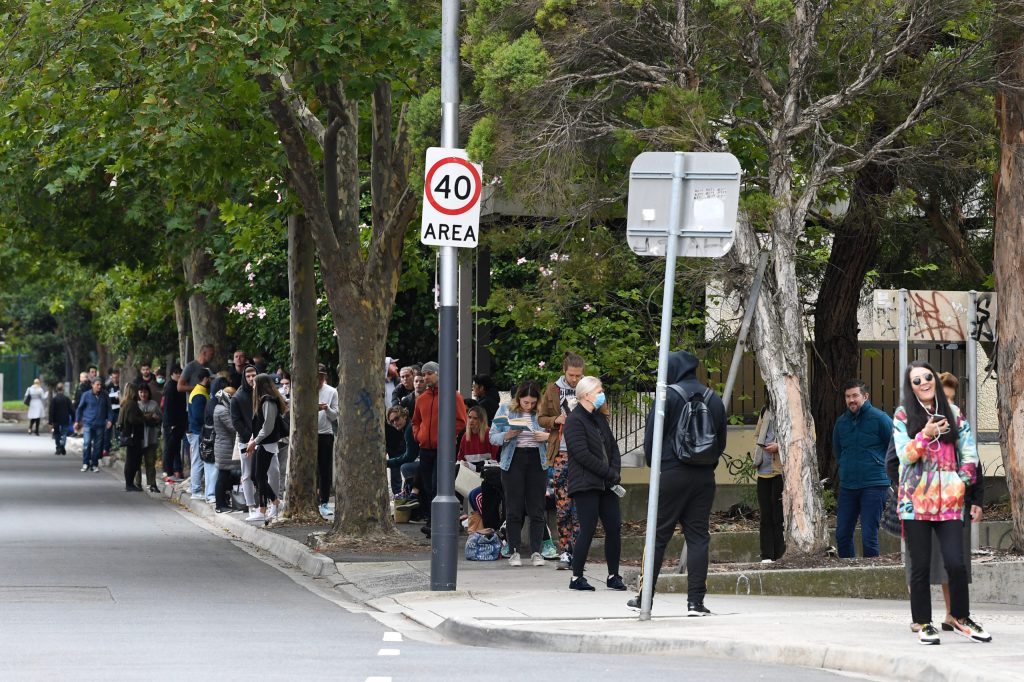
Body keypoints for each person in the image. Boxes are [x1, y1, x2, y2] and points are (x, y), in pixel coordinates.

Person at [894, 361, 990, 644]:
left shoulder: (954, 413)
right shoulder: (902, 416)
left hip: (949, 502)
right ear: (910, 387)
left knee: (956, 562)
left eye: (927, 376)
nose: (923, 382)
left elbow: (970, 453)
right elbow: (904, 456)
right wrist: (925, 434)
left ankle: (960, 616)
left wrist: (961, 483)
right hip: (915, 503)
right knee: (921, 566)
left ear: (934, 378)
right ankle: (924, 623)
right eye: (916, 380)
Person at [628, 350, 726, 615]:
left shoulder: (667, 396)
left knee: (658, 536)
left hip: (671, 474)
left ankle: (644, 598)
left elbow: (651, 441)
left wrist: (658, 465)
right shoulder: (713, 398)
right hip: (704, 477)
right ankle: (696, 602)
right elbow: (721, 443)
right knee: (698, 538)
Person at [563, 376, 624, 591]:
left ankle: (613, 575)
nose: (602, 394)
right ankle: (576, 577)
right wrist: (608, 472)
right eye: (599, 391)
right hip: (586, 483)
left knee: (614, 527)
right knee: (588, 529)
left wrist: (614, 470)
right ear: (587, 395)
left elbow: (613, 447)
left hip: (606, 483)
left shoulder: (599, 418)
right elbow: (582, 454)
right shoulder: (574, 420)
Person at [489, 381, 550, 568]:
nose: (529, 406)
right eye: (525, 402)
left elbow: (557, 435)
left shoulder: (543, 411)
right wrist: (507, 435)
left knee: (537, 508)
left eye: (532, 403)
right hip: (513, 459)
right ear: (518, 399)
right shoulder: (505, 409)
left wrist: (546, 437)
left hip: (537, 460)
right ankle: (514, 550)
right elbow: (492, 436)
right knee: (513, 508)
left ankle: (536, 552)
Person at [832, 379, 893, 559]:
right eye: (848, 396)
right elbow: (838, 451)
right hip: (848, 486)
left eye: (855, 396)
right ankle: (848, 574)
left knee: (869, 536)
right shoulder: (841, 423)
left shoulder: (881, 419)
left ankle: (871, 575)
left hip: (874, 485)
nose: (851, 400)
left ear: (865, 396)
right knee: (842, 535)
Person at [538, 352, 587, 570]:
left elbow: (604, 415)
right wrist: (555, 419)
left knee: (581, 506)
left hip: (583, 454)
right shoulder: (552, 390)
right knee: (563, 505)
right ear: (564, 371)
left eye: (578, 375)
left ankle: (579, 552)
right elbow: (541, 419)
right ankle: (566, 551)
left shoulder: (589, 387)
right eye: (571, 375)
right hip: (561, 452)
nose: (575, 379)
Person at [412, 361, 467, 531]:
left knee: (438, 485)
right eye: (424, 374)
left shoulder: (453, 395)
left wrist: (445, 436)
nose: (425, 377)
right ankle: (434, 520)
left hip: (443, 449)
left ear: (438, 373)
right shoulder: (421, 399)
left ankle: (440, 522)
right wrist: (418, 435)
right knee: (428, 486)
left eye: (429, 373)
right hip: (425, 448)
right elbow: (416, 421)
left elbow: (461, 421)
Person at [246, 374, 288, 523]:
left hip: (267, 443)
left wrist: (254, 441)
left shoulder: (268, 401)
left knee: (260, 477)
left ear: (261, 385)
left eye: (255, 383)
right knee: (256, 476)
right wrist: (253, 440)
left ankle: (274, 503)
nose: (252, 384)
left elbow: (268, 427)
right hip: (261, 443)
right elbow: (259, 425)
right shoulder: (262, 400)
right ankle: (266, 507)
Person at [753, 400, 785, 562]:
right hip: (764, 469)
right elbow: (758, 434)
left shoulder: (795, 407)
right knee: (766, 516)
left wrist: (780, 446)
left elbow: (807, 436)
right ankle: (766, 555)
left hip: (782, 471)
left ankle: (780, 555)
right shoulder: (765, 409)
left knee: (779, 516)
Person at [231, 365, 259, 515]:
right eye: (248, 376)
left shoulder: (262, 393)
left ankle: (268, 503)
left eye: (253, 375)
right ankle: (250, 505)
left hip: (262, 439)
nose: (251, 378)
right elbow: (236, 421)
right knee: (247, 474)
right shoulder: (238, 397)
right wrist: (249, 437)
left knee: (267, 472)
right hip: (245, 440)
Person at [316, 363, 339, 518]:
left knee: (325, 470)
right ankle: (312, 500)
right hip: (308, 434)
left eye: (320, 375)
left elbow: (335, 414)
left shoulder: (331, 391)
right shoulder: (304, 389)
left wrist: (326, 409)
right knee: (311, 470)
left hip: (325, 433)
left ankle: (324, 502)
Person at [186, 368, 212, 501]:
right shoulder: (199, 394)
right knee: (198, 461)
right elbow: (197, 416)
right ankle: (195, 489)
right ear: (206, 379)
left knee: (198, 460)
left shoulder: (198, 391)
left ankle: (195, 487)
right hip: (197, 432)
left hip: (196, 431)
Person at [75, 378, 112, 473]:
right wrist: (77, 421)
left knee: (97, 446)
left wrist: (110, 420)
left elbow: (109, 409)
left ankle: (94, 464)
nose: (99, 387)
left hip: (100, 424)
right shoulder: (86, 395)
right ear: (92, 385)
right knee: (87, 443)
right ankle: (85, 463)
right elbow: (79, 408)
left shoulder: (105, 395)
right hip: (88, 423)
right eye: (97, 385)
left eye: (100, 385)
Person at [212, 385, 238, 512]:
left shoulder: (221, 407)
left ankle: (224, 502)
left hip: (225, 446)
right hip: (224, 447)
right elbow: (233, 427)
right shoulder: (223, 410)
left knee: (225, 476)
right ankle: (220, 505)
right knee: (222, 477)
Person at [133, 383, 162, 492]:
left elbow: (160, 418)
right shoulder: (135, 404)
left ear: (148, 393)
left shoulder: (154, 404)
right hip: (139, 437)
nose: (143, 394)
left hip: (151, 436)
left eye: (145, 392)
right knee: (137, 462)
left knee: (150, 462)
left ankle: (152, 484)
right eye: (141, 392)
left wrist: (155, 417)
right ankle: (137, 482)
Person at [162, 366, 187, 482]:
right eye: (177, 373)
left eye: (180, 373)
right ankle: (169, 472)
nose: (179, 375)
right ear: (172, 374)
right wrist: (171, 424)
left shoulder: (176, 386)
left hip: (177, 422)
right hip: (173, 423)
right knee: (170, 447)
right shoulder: (171, 387)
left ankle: (174, 471)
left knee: (174, 447)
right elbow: (168, 407)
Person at [118, 384, 146, 491]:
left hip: (129, 434)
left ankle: (129, 483)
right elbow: (132, 419)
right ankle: (129, 484)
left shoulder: (125, 403)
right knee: (132, 460)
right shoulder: (131, 404)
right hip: (134, 436)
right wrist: (143, 418)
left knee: (132, 459)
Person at [48, 383, 73, 455]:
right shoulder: (67, 399)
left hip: (56, 420)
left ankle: (58, 447)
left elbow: (51, 410)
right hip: (65, 418)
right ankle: (62, 445)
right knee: (64, 433)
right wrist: (74, 418)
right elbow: (71, 409)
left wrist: (50, 420)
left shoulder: (54, 399)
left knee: (57, 433)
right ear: (63, 389)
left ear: (56, 389)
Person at [104, 369, 122, 456]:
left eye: (116, 377)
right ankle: (106, 449)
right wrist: (114, 398)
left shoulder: (121, 386)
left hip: (119, 411)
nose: (115, 379)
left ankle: (119, 448)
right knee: (108, 431)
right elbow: (107, 398)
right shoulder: (108, 387)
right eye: (113, 377)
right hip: (110, 412)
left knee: (119, 430)